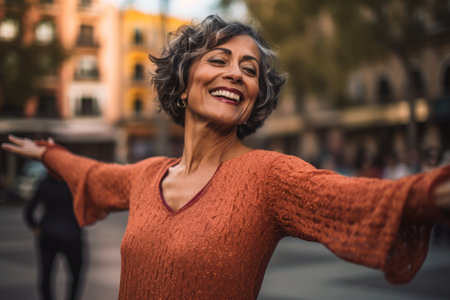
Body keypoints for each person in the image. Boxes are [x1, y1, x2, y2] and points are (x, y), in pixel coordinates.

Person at [2, 15, 450, 299]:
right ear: (182, 82)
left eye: (249, 70)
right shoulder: (147, 176)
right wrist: (50, 152)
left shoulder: (268, 176)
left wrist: (433, 192)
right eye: (219, 60)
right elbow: (94, 175)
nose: (235, 73)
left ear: (254, 99)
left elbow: (356, 199)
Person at [24, 172, 84, 300]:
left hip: (47, 233)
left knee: (46, 273)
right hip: (72, 234)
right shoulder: (75, 182)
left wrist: (35, 226)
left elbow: (29, 211)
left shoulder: (44, 183)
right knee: (76, 274)